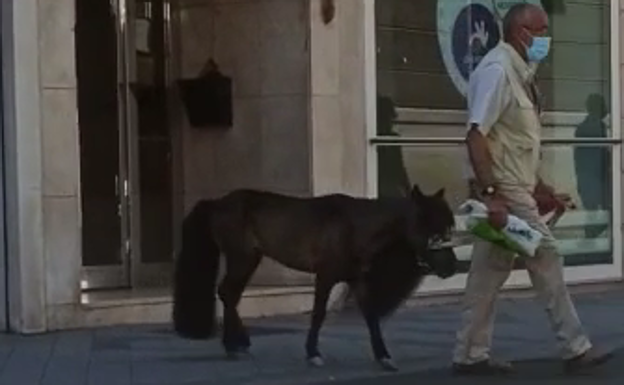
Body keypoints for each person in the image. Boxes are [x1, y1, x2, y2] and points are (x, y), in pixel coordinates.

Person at [453, 3, 613, 375]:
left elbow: (515, 142)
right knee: (546, 255)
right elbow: (476, 135)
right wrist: (492, 195)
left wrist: (540, 188)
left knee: (488, 272)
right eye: (540, 30)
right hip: (504, 191)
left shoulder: (520, 72)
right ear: (519, 31)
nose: (545, 38)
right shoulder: (497, 70)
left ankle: (469, 353)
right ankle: (575, 346)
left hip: (514, 187)